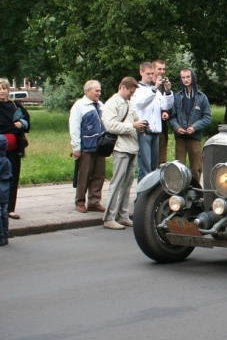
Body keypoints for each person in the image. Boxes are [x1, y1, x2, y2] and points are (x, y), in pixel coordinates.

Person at [101, 77, 146, 230]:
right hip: (120, 147)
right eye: (130, 92)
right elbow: (111, 126)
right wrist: (132, 125)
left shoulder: (129, 103)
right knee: (117, 183)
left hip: (132, 147)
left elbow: (135, 120)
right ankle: (109, 218)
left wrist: (140, 126)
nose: (131, 95)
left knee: (127, 184)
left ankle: (123, 215)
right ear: (123, 87)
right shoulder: (111, 104)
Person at [69, 80, 106, 213]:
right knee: (83, 175)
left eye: (100, 91)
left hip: (100, 146)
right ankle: (80, 202)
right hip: (86, 147)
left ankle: (94, 201)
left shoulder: (100, 105)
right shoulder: (79, 106)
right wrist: (76, 147)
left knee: (99, 174)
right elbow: (74, 127)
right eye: (97, 91)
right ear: (88, 91)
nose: (99, 93)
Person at [133, 62, 174, 182]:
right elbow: (141, 103)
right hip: (144, 132)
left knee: (153, 168)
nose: (150, 76)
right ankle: (141, 198)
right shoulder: (137, 89)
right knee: (145, 168)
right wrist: (155, 88)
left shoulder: (154, 89)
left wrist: (167, 91)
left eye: (152, 73)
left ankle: (150, 196)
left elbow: (166, 105)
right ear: (141, 72)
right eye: (148, 74)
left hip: (156, 132)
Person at [169, 68, 212, 182]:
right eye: (183, 77)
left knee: (196, 167)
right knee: (179, 166)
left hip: (195, 137)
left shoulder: (202, 97)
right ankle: (181, 191)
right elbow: (172, 117)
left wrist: (195, 127)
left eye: (188, 77)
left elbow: (207, 118)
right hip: (180, 137)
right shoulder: (177, 97)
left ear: (192, 77)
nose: (186, 80)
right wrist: (177, 127)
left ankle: (196, 192)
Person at [0, 77, 30, 220]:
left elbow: (27, 120)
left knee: (12, 177)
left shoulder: (15, 105)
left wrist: (22, 123)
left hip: (14, 149)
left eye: (4, 88)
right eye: (0, 88)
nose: (2, 91)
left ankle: (10, 209)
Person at [153, 59, 173, 165]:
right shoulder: (149, 85)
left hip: (162, 125)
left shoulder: (164, 84)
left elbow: (167, 103)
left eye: (163, 69)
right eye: (159, 69)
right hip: (150, 125)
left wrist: (166, 112)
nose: (162, 71)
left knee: (162, 157)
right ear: (153, 69)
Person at [0, 135, 12, 246]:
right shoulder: (7, 161)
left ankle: (1, 236)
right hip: (5, 190)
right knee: (4, 213)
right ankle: (6, 234)